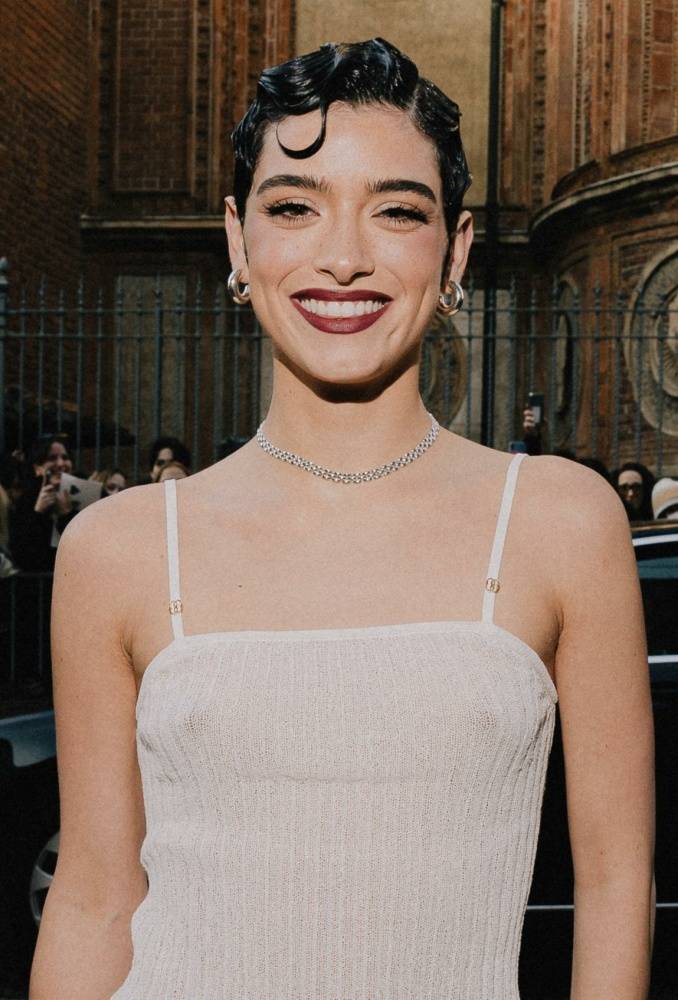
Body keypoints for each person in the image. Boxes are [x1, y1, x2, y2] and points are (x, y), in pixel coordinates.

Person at [31, 38, 655, 1000]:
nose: (345, 258)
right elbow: (94, 900)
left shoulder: (561, 523)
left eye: (397, 210)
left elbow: (615, 887)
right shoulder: (116, 548)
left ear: (455, 249)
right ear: (239, 241)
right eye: (294, 207)